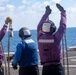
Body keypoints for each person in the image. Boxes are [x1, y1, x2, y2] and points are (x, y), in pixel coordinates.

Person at [37, 3, 66, 75]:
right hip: (57, 68)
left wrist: (46, 14)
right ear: (53, 29)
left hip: (46, 69)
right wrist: (63, 12)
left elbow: (39, 26)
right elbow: (62, 26)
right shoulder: (56, 38)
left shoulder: (40, 38)